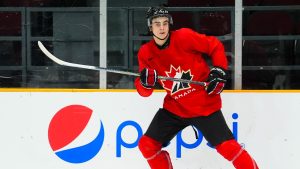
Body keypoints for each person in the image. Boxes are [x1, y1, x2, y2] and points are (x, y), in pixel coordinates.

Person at [134, 6, 259, 169]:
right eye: (157, 24)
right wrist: (145, 83)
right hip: (175, 108)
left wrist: (220, 69)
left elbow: (214, 46)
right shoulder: (145, 52)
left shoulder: (184, 37)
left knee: (229, 148)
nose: (162, 27)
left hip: (204, 105)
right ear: (150, 27)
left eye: (165, 23)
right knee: (147, 144)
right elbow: (144, 92)